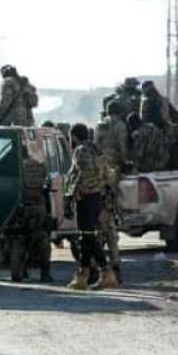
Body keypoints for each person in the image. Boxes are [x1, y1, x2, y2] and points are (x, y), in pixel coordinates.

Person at [66, 123, 117, 290]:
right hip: (97, 197)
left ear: (74, 136)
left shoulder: (81, 151)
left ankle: (106, 272)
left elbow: (81, 173)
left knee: (88, 237)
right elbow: (106, 173)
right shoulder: (96, 149)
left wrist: (74, 191)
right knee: (85, 237)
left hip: (85, 197)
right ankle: (83, 275)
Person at [94, 101, 128, 280]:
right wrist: (127, 161)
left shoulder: (100, 125)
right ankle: (115, 265)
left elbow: (95, 145)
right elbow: (123, 146)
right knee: (110, 224)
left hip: (100, 166)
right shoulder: (119, 125)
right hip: (113, 165)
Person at [10, 144, 52, 282]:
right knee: (42, 239)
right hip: (38, 207)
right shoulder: (39, 166)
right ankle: (45, 273)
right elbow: (47, 184)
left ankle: (21, 271)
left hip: (20, 208)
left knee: (19, 238)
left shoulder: (14, 168)